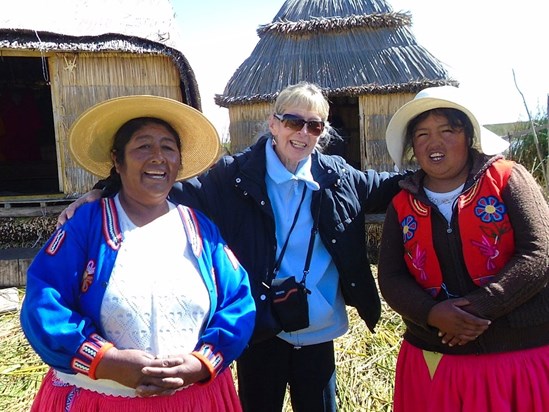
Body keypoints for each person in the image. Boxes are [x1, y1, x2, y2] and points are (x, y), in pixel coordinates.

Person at [59, 82, 404, 412]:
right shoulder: (234, 175)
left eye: (314, 126)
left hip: (317, 327)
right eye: (293, 122)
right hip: (262, 325)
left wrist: (439, 175)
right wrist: (104, 190)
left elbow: (388, 187)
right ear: (273, 123)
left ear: (323, 132)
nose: (302, 133)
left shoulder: (336, 177)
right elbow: (171, 188)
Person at [20, 95, 255, 412]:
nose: (158, 157)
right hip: (101, 400)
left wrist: (200, 363)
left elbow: (238, 301)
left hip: (194, 401)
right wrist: (107, 361)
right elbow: (44, 303)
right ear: (118, 161)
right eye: (144, 146)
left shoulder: (200, 229)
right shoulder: (85, 226)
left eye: (168, 148)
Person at [378, 85, 549, 411]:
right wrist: (432, 314)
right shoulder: (401, 204)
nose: (434, 142)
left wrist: (478, 309)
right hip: (436, 361)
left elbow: (539, 254)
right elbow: (391, 277)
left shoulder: (508, 179)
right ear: (412, 145)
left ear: (469, 135)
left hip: (518, 357)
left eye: (447, 130)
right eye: (423, 134)